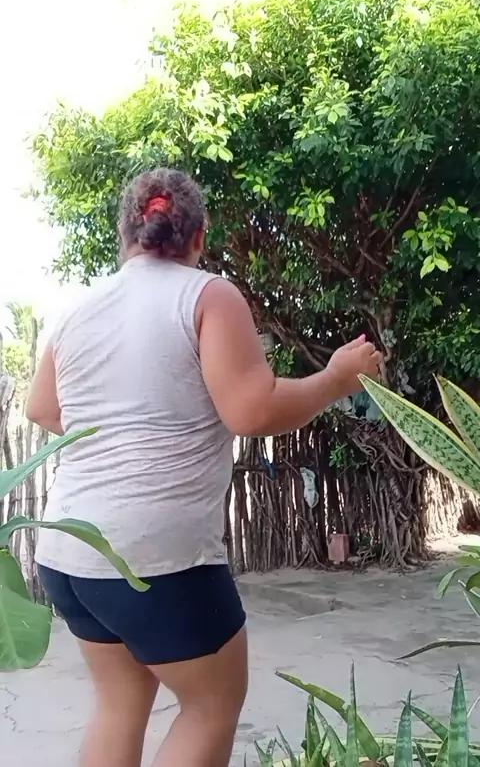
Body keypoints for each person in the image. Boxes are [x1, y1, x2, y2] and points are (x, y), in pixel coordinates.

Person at [26, 167, 382, 767]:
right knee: (210, 705)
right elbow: (251, 410)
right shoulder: (207, 295)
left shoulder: (79, 309)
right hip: (157, 558)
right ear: (199, 235)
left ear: (126, 234)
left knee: (119, 702)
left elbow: (42, 407)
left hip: (70, 550)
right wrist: (335, 379)